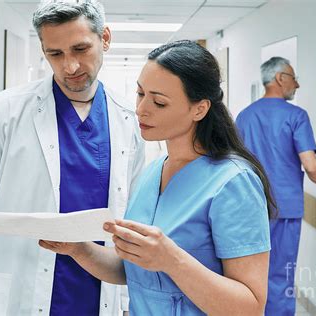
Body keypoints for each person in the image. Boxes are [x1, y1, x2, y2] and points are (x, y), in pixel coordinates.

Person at [0, 1, 144, 315]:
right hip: (20, 285)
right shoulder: (5, 109)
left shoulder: (130, 120)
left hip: (98, 287)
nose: (69, 67)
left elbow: (135, 213)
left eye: (80, 49)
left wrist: (130, 301)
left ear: (105, 38)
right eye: (55, 54)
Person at [39, 40, 274, 315]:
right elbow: (134, 270)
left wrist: (172, 260)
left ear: (199, 109)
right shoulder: (154, 171)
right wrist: (79, 249)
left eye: (159, 102)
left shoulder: (234, 182)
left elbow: (250, 307)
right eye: (140, 93)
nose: (141, 109)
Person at [235, 56, 316, 315]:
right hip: (284, 208)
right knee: (280, 274)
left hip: (250, 206)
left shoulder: (245, 116)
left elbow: (233, 161)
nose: (298, 85)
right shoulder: (296, 116)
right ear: (280, 79)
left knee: (247, 271)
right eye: (294, 78)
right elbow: (310, 165)